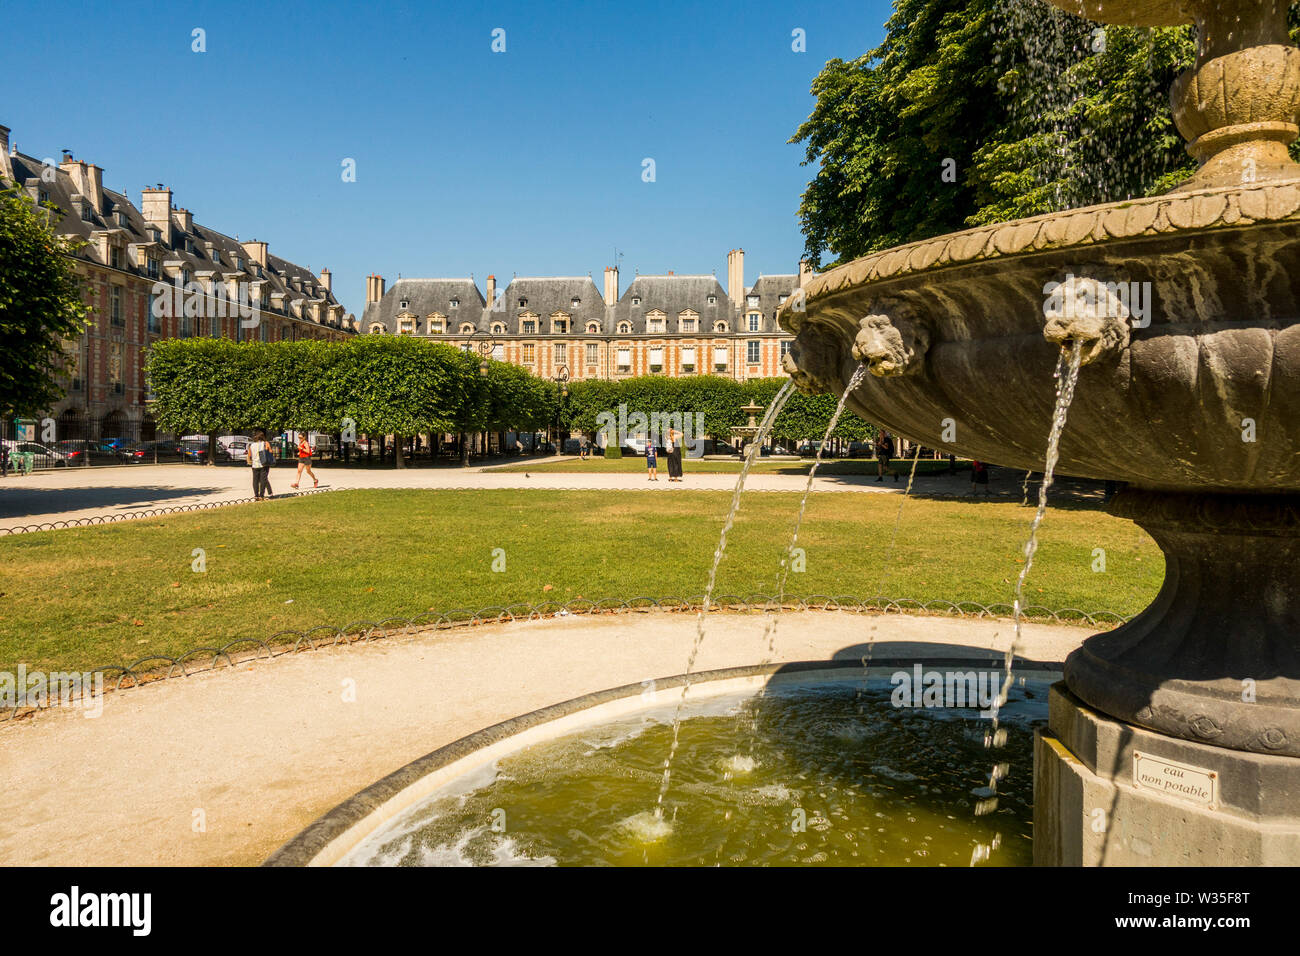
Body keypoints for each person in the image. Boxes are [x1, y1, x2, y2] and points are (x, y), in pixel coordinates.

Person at [245, 429, 274, 500]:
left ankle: (256, 495)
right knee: (263, 480)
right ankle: (261, 495)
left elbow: (250, 455)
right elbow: (270, 451)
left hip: (254, 465)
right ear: (262, 437)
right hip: (263, 464)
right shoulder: (265, 443)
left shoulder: (251, 445)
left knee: (255, 480)